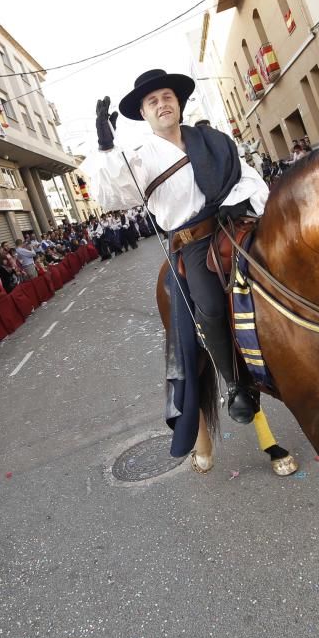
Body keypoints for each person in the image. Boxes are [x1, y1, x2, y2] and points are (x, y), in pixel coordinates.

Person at [87, 69, 268, 423]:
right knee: (211, 307)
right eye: (152, 101)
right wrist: (107, 146)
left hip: (236, 220)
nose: (162, 104)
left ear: (179, 103)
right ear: (143, 113)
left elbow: (246, 175)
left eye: (167, 97)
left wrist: (266, 211)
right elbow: (111, 195)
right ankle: (234, 385)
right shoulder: (137, 156)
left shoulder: (212, 138)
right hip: (194, 243)